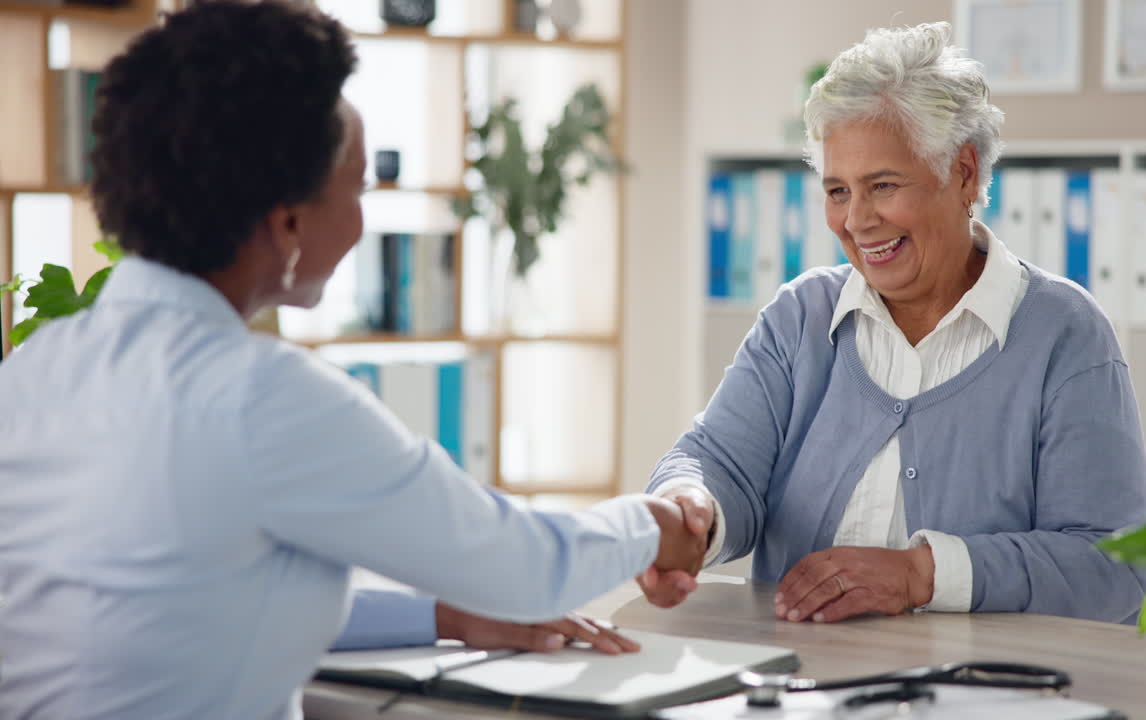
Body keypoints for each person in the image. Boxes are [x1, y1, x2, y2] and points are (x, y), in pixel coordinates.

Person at [0, 3, 705, 718]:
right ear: (288, 225)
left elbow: (189, 597)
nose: (366, 219)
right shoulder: (262, 397)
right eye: (360, 187)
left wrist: (442, 618)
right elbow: (523, 567)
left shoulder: (34, 371)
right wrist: (653, 524)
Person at [642, 21, 1146, 625]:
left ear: (963, 173)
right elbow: (716, 461)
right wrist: (687, 509)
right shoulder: (799, 318)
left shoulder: (1065, 334)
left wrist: (921, 574)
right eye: (837, 190)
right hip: (801, 688)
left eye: (882, 186)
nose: (856, 220)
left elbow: (1113, 567)